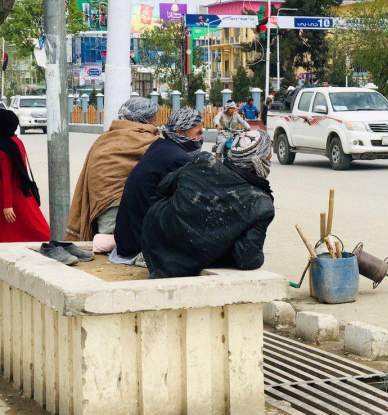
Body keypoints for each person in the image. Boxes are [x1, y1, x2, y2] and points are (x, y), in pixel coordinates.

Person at [141, 130, 275, 279]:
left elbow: (163, 187)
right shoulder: (261, 203)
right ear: (259, 159)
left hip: (153, 238)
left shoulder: (203, 160)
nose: (270, 157)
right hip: (185, 264)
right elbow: (247, 259)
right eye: (269, 153)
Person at [112, 107, 204, 264]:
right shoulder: (178, 159)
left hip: (127, 238)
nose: (202, 138)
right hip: (140, 242)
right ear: (181, 132)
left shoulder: (160, 146)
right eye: (199, 133)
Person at [65, 97, 160, 241]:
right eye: (154, 118)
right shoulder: (151, 142)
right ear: (146, 119)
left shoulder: (104, 140)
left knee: (108, 243)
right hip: (130, 209)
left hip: (103, 207)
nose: (156, 123)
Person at [0, 109, 49, 242]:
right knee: (34, 227)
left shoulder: (3, 148)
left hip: (11, 196)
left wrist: (7, 205)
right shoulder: (16, 141)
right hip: (24, 192)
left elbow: (6, 178)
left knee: (35, 231)